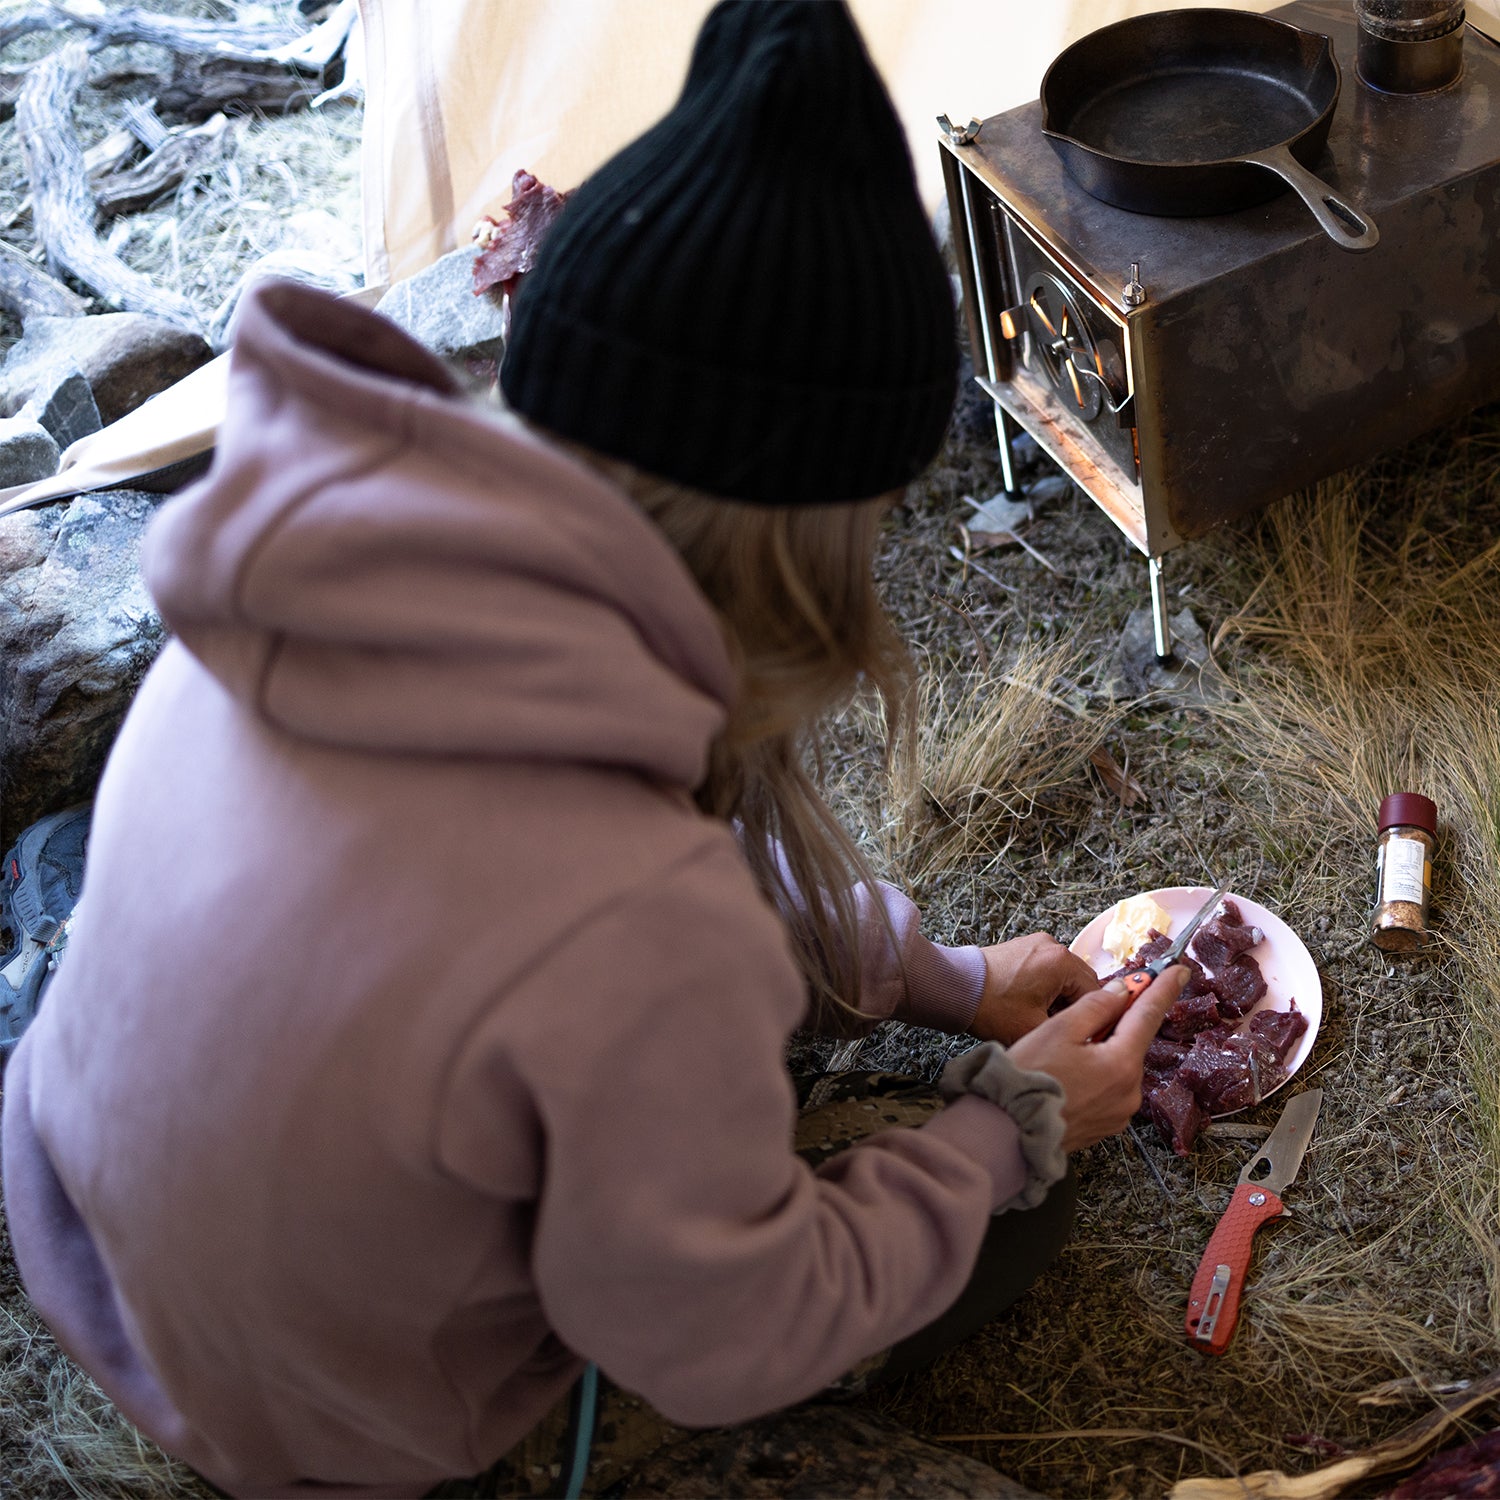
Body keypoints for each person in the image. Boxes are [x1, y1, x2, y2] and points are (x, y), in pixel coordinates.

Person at [0, 3, 1187, 1496]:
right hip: (324, 1425)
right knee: (1003, 1227)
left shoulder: (308, 586)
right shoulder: (636, 921)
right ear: (797, 537)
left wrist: (937, 978)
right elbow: (727, 1333)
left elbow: (573, 896)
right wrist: (1003, 1137)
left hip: (112, 1253)